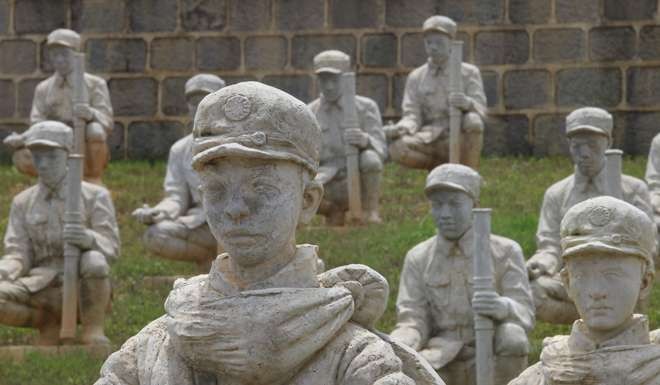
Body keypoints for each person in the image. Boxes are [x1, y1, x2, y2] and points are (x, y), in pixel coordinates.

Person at [94, 82, 444, 385]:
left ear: (308, 201)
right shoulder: (153, 347)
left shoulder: (355, 356)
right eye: (216, 191)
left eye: (262, 189)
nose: (235, 208)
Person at [391, 163, 534, 385]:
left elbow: (525, 312)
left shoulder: (505, 251)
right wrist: (402, 341)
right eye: (437, 205)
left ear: (475, 205)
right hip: (440, 359)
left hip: (489, 354)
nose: (445, 214)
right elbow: (412, 317)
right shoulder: (418, 257)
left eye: (455, 204)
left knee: (513, 337)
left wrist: (502, 307)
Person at [509, 196, 660, 385]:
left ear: (644, 283)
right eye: (582, 276)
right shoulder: (536, 378)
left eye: (612, 275)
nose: (597, 291)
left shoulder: (654, 369)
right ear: (566, 282)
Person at [527, 107, 653, 324]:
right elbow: (549, 244)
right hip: (576, 277)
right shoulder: (556, 194)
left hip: (621, 276)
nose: (584, 153)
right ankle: (589, 327)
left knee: (635, 273)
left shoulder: (633, 189)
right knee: (532, 291)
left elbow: (648, 243)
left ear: (609, 143)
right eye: (577, 146)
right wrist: (542, 263)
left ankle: (618, 326)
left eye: (592, 145)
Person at [0, 121, 119, 345]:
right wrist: (5, 271)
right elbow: (18, 253)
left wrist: (87, 239)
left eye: (51, 156)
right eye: (37, 156)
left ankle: (93, 331)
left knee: (95, 260)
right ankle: (48, 324)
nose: (43, 164)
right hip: (40, 286)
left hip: (81, 286)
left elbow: (111, 247)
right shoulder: (22, 202)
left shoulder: (95, 196)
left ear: (68, 155)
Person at [132, 74, 225, 271]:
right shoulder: (180, 149)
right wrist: (159, 212)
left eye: (206, 100)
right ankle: (209, 263)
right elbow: (176, 196)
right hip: (201, 224)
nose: (199, 106)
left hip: (235, 219)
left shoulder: (238, 142)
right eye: (193, 102)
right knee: (155, 235)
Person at [3, 28, 114, 185]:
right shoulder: (43, 88)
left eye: (64, 54)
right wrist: (23, 138)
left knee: (95, 131)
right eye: (55, 55)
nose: (59, 60)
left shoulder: (95, 84)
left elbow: (107, 121)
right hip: (54, 142)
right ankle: (50, 179)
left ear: (77, 56)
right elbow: (37, 122)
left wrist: (90, 114)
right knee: (21, 156)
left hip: (83, 142)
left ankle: (91, 177)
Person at [386, 15, 486, 170]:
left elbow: (481, 108)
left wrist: (467, 103)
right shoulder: (416, 77)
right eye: (428, 42)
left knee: (474, 121)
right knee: (396, 148)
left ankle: (468, 174)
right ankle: (437, 170)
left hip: (458, 136)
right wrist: (401, 128)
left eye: (439, 42)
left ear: (451, 44)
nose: (433, 47)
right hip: (428, 138)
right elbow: (412, 114)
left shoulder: (468, 72)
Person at [308, 50, 387, 225]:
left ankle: (370, 211)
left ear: (346, 78)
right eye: (323, 80)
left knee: (371, 160)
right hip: (326, 180)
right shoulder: (309, 113)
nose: (328, 86)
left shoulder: (365, 107)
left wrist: (365, 140)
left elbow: (382, 148)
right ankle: (331, 212)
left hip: (357, 180)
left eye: (334, 79)